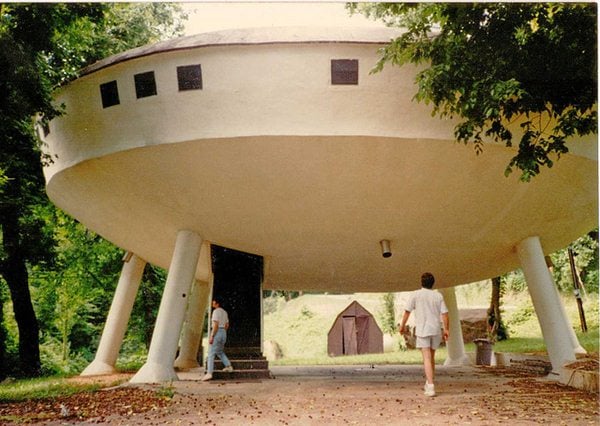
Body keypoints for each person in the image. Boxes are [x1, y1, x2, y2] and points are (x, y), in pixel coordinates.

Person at [399, 272, 449, 397]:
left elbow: (407, 312)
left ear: (422, 282)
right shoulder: (438, 296)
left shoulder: (415, 295)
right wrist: (446, 329)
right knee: (431, 357)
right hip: (435, 330)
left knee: (426, 358)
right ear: (433, 283)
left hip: (422, 330)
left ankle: (431, 386)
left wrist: (402, 325)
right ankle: (429, 381)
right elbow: (445, 314)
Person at [202, 297, 234, 381]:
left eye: (214, 302)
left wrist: (212, 336)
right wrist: (222, 331)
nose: (212, 304)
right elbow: (227, 325)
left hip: (217, 332)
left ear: (217, 303)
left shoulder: (215, 312)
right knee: (219, 351)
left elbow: (215, 325)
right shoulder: (225, 312)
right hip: (224, 332)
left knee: (211, 353)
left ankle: (209, 373)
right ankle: (228, 366)